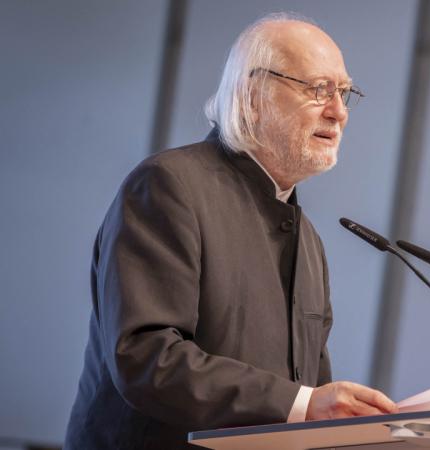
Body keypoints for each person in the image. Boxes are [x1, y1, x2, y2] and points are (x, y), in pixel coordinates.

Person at [64, 13, 397, 450]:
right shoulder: (169, 186)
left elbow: (311, 400)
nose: (338, 112)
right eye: (319, 89)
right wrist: (303, 403)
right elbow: (146, 358)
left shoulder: (309, 242)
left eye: (344, 92)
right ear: (253, 95)